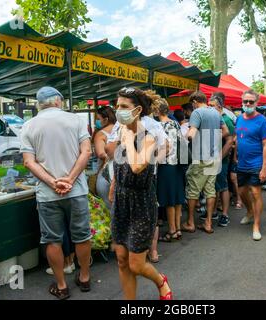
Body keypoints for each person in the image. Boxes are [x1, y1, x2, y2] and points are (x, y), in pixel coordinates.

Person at [21, 86, 93, 300]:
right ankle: (85, 278)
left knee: (52, 240)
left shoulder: (28, 125)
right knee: (82, 236)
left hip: (48, 194)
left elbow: (28, 162)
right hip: (76, 190)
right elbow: (86, 152)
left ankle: (61, 285)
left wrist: (53, 183)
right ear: (58, 101)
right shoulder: (76, 120)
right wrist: (70, 180)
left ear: (39, 104)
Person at [107, 87, 172, 300]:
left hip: (141, 201)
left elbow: (136, 167)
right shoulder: (120, 129)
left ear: (137, 110)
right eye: (117, 106)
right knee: (121, 259)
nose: (118, 111)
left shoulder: (149, 136)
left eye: (124, 107)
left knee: (136, 264)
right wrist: (114, 183)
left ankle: (160, 281)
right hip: (121, 199)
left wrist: (127, 138)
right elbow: (120, 162)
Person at [181, 91, 229, 234]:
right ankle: (208, 222)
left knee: (193, 191)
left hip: (200, 157)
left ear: (195, 101)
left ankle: (190, 222)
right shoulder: (215, 112)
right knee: (210, 190)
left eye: (192, 104)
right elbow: (225, 131)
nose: (193, 107)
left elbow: (191, 134)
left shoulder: (197, 113)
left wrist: (185, 136)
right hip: (214, 157)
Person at [234, 89, 266, 241]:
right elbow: (238, 138)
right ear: (242, 102)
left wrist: (264, 167)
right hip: (241, 163)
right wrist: (236, 154)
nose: (248, 104)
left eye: (251, 101)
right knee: (242, 192)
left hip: (256, 163)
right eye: (245, 101)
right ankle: (249, 211)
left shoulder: (262, 121)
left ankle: (256, 225)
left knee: (255, 193)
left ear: (256, 103)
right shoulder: (239, 119)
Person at [156, 99, 186, 241]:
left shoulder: (158, 126)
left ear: (156, 111)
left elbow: (164, 147)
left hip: (166, 165)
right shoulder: (175, 123)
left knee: (168, 200)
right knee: (177, 198)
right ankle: (178, 229)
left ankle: (172, 231)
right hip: (178, 164)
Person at [209, 95, 234, 227]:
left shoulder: (226, 119)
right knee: (214, 186)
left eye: (211, 105)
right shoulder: (215, 118)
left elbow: (230, 141)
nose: (209, 108)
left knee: (223, 186)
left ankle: (225, 215)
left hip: (221, 160)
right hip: (213, 158)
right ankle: (213, 212)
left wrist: (219, 157)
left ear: (219, 106)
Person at [93, 105, 117, 209]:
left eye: (98, 119)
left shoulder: (100, 134)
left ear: (106, 119)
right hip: (122, 173)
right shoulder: (122, 129)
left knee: (107, 208)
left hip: (105, 174)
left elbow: (101, 154)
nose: (97, 122)